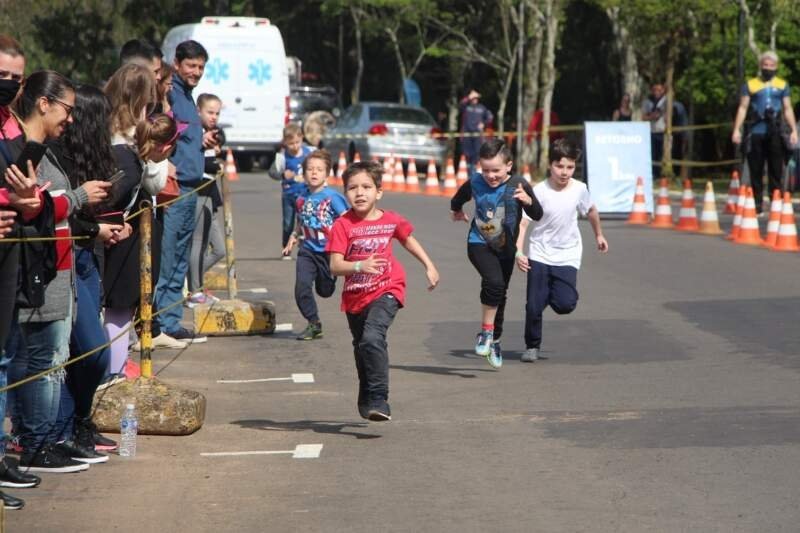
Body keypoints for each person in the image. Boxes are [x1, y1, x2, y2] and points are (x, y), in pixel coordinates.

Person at [2, 70, 110, 475]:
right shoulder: (26, 151)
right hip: (40, 270)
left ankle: (49, 438)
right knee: (41, 361)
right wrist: (79, 198)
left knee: (52, 359)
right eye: (67, 109)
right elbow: (36, 209)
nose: (71, 119)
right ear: (44, 103)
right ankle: (36, 443)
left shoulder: (46, 148)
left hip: (61, 268)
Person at [49, 85, 130, 463]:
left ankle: (77, 422)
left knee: (88, 352)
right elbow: (59, 210)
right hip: (65, 259)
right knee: (87, 351)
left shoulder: (91, 155)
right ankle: (60, 428)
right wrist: (93, 229)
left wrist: (111, 225)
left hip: (85, 257)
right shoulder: (58, 154)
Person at [327, 161, 439, 421]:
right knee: (361, 347)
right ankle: (366, 393)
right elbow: (334, 266)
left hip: (387, 288)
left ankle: (379, 399)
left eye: (366, 187)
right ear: (345, 194)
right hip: (355, 296)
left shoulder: (390, 220)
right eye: (353, 188)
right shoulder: (342, 226)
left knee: (372, 338)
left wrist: (429, 266)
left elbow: (407, 239)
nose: (360, 193)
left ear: (379, 192)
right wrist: (359, 265)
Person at [104, 63, 185, 382]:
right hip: (115, 233)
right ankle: (112, 371)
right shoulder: (122, 140)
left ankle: (117, 364)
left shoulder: (123, 132)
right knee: (119, 305)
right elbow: (133, 187)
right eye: (147, 101)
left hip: (123, 228)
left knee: (124, 306)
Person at [449, 139, 543, 369]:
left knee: (500, 292)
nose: (490, 175)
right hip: (478, 242)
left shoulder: (519, 184)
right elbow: (457, 199)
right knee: (493, 281)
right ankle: (486, 333)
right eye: (486, 170)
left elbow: (538, 213)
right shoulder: (475, 182)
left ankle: (495, 340)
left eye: (496, 170)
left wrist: (528, 201)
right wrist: (457, 211)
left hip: (506, 248)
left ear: (508, 166)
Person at [515, 138, 609, 363]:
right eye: (560, 166)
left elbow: (591, 211)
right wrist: (519, 251)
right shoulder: (539, 191)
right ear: (550, 165)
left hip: (568, 253)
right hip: (540, 252)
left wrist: (599, 234)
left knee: (565, 304)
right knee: (533, 306)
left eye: (570, 167)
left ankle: (545, 294)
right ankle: (532, 346)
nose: (564, 172)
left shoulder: (579, 189)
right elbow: (523, 223)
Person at [154, 40, 208, 343]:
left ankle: (171, 321)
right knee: (168, 255)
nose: (196, 72)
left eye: (200, 67)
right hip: (171, 191)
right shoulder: (169, 93)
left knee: (179, 260)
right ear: (177, 64)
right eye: (191, 66)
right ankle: (158, 323)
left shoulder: (188, 96)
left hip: (191, 188)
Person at [282, 149, 348, 340]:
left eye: (319, 169)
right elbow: (302, 221)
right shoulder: (301, 198)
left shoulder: (332, 197)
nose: (314, 173)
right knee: (301, 286)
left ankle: (330, 278)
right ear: (303, 173)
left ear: (326, 173)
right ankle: (314, 323)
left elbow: (346, 220)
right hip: (307, 250)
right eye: (310, 169)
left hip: (329, 251)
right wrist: (293, 236)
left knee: (325, 291)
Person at [732, 50, 799, 214]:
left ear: (776, 67)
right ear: (760, 66)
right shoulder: (751, 84)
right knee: (756, 168)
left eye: (771, 65)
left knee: (776, 168)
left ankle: (776, 202)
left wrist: (793, 130)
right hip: (756, 131)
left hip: (775, 131)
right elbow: (742, 108)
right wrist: (736, 130)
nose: (768, 68)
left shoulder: (782, 85)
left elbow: (788, 108)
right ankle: (757, 204)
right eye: (765, 65)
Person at [187, 93, 225, 305]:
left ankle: (194, 283)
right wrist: (215, 163)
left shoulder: (212, 135)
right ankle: (194, 291)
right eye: (210, 112)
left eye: (217, 113)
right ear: (198, 111)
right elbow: (202, 166)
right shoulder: (196, 135)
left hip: (210, 195)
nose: (214, 117)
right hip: (199, 194)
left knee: (219, 249)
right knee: (198, 244)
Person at [268, 123, 314, 259]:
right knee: (288, 223)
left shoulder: (309, 153)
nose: (294, 146)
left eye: (297, 142)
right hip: (289, 195)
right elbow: (271, 172)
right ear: (285, 143)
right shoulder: (282, 157)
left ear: (302, 139)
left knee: (304, 221)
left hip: (305, 195)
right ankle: (286, 249)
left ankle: (305, 249)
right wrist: (282, 175)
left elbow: (319, 165)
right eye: (291, 144)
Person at [459, 90, 493, 173]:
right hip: (467, 134)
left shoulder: (482, 108)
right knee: (467, 155)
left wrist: (483, 124)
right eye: (473, 98)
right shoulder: (466, 107)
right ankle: (467, 173)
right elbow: (461, 104)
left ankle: (473, 173)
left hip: (477, 135)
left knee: (476, 155)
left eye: (476, 98)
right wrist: (469, 97)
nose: (475, 100)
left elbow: (490, 117)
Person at [642, 83, 667, 179]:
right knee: (653, 154)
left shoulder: (665, 101)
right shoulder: (647, 102)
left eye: (660, 90)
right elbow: (643, 117)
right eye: (655, 90)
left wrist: (654, 115)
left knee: (662, 154)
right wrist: (652, 116)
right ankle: (653, 174)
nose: (657, 92)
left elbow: (664, 116)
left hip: (662, 131)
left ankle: (662, 174)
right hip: (651, 132)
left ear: (663, 91)